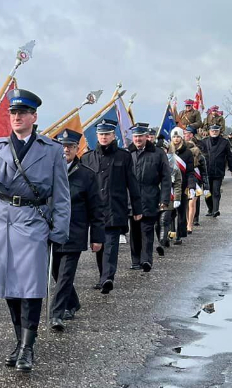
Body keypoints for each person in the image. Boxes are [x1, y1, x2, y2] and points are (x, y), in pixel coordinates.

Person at [0, 90, 70, 371]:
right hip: (4, 220)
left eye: (22, 113)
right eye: (13, 113)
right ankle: (19, 341)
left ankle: (28, 348)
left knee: (30, 286)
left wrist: (60, 231)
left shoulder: (52, 149)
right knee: (8, 285)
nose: (17, 117)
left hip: (33, 220)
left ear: (34, 117)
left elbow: (62, 194)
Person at [49, 129, 103, 331]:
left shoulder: (87, 175)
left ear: (76, 149)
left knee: (65, 275)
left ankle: (56, 314)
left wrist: (97, 237)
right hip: (53, 231)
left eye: (70, 147)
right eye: (62, 146)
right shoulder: (49, 171)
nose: (65, 150)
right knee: (56, 272)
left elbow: (96, 208)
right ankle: (72, 302)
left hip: (75, 232)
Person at [80, 119, 140, 295]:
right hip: (94, 211)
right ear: (97, 136)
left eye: (107, 134)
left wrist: (137, 209)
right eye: (101, 134)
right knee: (99, 245)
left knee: (111, 244)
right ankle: (102, 276)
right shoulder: (87, 158)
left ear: (114, 135)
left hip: (115, 207)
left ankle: (108, 277)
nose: (104, 137)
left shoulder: (124, 156)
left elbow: (132, 183)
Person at [127, 123, 169, 272]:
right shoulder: (127, 153)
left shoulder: (158, 154)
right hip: (131, 199)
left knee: (147, 230)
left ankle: (146, 260)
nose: (138, 139)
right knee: (135, 232)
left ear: (146, 136)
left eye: (141, 136)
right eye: (136, 136)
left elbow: (165, 178)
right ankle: (135, 260)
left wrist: (164, 200)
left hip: (150, 196)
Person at [200, 122, 232, 217]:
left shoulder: (225, 142)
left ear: (219, 131)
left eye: (216, 130)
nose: (214, 132)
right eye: (212, 130)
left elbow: (230, 156)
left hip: (218, 171)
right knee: (207, 192)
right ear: (209, 131)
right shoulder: (204, 141)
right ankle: (210, 208)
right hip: (206, 171)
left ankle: (216, 210)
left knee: (216, 191)